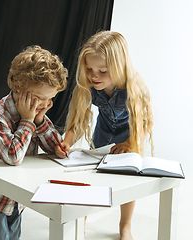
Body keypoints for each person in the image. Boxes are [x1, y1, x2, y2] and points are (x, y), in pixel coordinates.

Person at [0, 45, 68, 240]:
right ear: (20, 88)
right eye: (40, 98)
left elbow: (56, 149)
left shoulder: (37, 113)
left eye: (50, 99)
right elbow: (12, 157)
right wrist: (27, 121)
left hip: (18, 194)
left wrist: (40, 121)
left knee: (13, 235)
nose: (45, 104)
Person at [55, 31, 154, 240]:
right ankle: (79, 221)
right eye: (90, 69)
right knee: (92, 176)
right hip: (103, 132)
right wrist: (66, 142)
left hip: (130, 134)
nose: (94, 76)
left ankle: (125, 225)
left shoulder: (135, 86)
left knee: (129, 178)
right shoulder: (90, 86)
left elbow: (144, 122)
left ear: (119, 67)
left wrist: (129, 143)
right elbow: (79, 120)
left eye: (102, 71)